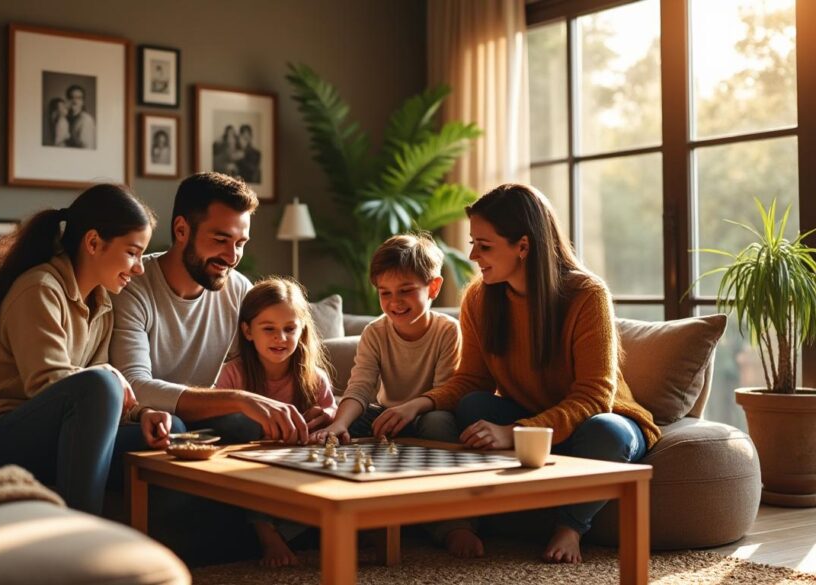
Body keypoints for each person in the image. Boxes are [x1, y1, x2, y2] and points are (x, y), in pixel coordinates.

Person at [376, 183, 662, 564]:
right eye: (473, 242)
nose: (472, 254)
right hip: (530, 421)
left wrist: (515, 432)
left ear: (523, 247)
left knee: (606, 431)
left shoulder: (586, 294)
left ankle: (571, 527)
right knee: (472, 406)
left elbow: (595, 397)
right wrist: (419, 404)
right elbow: (473, 381)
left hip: (594, 422)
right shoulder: (479, 297)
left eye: (484, 245)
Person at [0, 184, 178, 515]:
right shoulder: (39, 289)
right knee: (101, 384)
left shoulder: (102, 304)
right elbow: (48, 384)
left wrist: (142, 413)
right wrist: (106, 376)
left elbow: (100, 401)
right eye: (132, 252)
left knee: (170, 433)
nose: (139, 267)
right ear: (93, 242)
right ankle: (82, 528)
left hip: (49, 433)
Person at [110, 172, 312, 447]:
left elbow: (266, 363)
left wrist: (313, 409)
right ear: (181, 230)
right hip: (140, 422)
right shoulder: (132, 285)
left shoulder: (239, 290)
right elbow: (135, 385)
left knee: (245, 425)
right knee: (178, 425)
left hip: (200, 422)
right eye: (220, 240)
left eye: (240, 244)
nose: (232, 258)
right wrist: (238, 399)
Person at [310, 232, 470, 555]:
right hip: (385, 417)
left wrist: (411, 408)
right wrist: (339, 424)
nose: (394, 302)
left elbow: (446, 391)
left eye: (406, 291)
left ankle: (453, 526)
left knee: (439, 422)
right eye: (385, 293)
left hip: (428, 415)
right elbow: (359, 388)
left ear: (434, 288)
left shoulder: (447, 331)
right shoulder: (374, 332)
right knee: (336, 424)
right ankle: (358, 519)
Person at [216, 277, 336, 568]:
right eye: (268, 329)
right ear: (247, 331)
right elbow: (221, 423)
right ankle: (266, 530)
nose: (280, 338)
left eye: (289, 329)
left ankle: (288, 530)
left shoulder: (314, 377)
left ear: (302, 329)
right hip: (251, 468)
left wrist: (329, 418)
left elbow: (332, 414)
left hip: (298, 465)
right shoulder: (233, 374)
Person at [66, 84, 96, 149]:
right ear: (67, 100)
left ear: (83, 102)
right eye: (71, 97)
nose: (75, 101)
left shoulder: (86, 119)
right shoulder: (66, 118)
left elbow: (87, 148)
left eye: (78, 98)